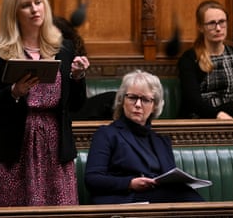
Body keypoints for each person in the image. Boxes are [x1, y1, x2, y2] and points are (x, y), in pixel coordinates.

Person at [0, 0, 90, 207]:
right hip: (11, 148)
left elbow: (76, 106)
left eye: (38, 2)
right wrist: (13, 92)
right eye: (27, 5)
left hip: (54, 149)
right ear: (13, 12)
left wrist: (78, 77)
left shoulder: (63, 48)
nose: (35, 9)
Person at [84, 70, 205, 204]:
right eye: (132, 97)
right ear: (122, 100)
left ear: (155, 106)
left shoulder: (161, 141)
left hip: (157, 201)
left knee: (189, 196)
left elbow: (170, 180)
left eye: (145, 100)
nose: (137, 104)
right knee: (187, 198)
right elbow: (93, 179)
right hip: (123, 200)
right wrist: (129, 183)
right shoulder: (107, 134)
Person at [177, 0, 233, 119]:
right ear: (200, 27)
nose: (218, 28)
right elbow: (192, 101)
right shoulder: (189, 59)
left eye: (222, 22)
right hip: (200, 116)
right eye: (211, 23)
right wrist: (217, 115)